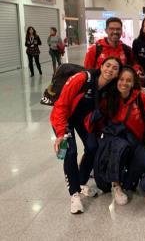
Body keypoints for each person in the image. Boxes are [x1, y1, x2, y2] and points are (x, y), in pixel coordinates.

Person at [50, 57, 122, 214]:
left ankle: (81, 183)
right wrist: (61, 133)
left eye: (115, 68)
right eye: (107, 65)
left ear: (117, 74)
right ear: (101, 66)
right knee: (70, 151)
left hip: (81, 120)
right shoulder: (82, 78)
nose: (110, 69)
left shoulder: (109, 90)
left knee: (93, 147)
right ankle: (74, 195)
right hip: (63, 118)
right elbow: (61, 104)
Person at [92, 66, 145, 205]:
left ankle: (128, 183)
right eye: (121, 79)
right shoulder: (108, 97)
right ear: (116, 80)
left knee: (144, 158)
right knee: (121, 147)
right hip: (114, 138)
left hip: (134, 139)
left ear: (133, 83)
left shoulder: (140, 97)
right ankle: (116, 185)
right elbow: (99, 119)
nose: (124, 83)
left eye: (128, 80)